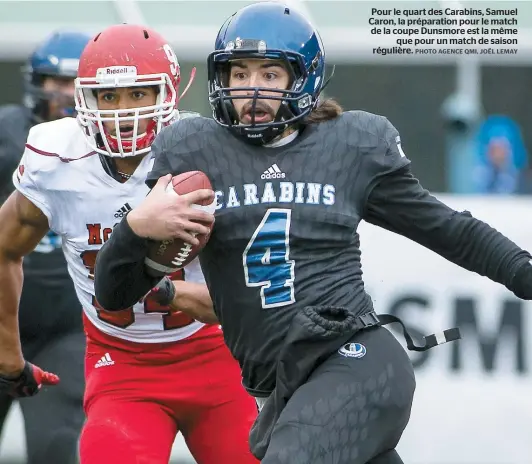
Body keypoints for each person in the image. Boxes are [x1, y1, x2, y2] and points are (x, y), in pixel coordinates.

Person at [93, 3, 532, 464]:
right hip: (280, 393)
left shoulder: (350, 146)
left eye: (269, 74)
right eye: (239, 74)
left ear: (303, 79)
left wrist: (523, 271)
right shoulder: (195, 150)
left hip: (357, 362)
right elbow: (114, 293)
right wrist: (136, 228)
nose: (252, 90)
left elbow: (449, 230)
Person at [0, 23, 259, 464]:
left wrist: (165, 287)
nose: (122, 111)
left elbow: (246, 298)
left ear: (169, 94)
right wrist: (8, 356)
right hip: (122, 366)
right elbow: (5, 248)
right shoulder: (56, 159)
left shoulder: (211, 154)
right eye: (109, 96)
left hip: (214, 355)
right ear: (86, 100)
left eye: (138, 94)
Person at [0, 30, 89, 464]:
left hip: (64, 329)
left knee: (55, 448)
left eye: (75, 82)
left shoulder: (111, 147)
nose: (66, 93)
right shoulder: (6, 133)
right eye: (55, 81)